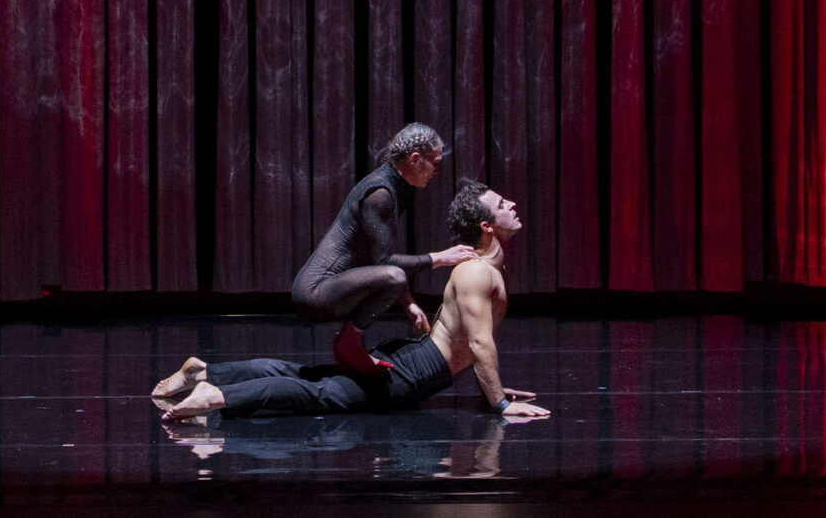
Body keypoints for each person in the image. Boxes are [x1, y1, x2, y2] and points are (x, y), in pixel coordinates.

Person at [153, 179, 550, 421]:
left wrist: (492, 388)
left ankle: (205, 372)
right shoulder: (477, 271)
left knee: (311, 377)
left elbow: (470, 339)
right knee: (320, 393)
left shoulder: (486, 269)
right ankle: (217, 395)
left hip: (417, 361)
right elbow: (478, 342)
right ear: (486, 226)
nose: (512, 205)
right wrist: (498, 404)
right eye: (502, 205)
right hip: (415, 371)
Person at [291, 123, 475, 374]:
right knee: (394, 274)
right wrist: (438, 258)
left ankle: (351, 344)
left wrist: (407, 301)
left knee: (394, 276)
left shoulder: (397, 187)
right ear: (415, 159)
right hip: (316, 292)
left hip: (339, 285)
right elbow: (385, 261)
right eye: (436, 164)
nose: (436, 172)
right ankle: (348, 343)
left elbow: (377, 258)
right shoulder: (380, 192)